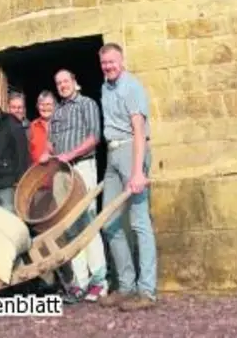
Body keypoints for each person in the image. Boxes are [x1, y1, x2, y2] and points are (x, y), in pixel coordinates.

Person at [96, 44, 156, 311]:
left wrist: (137, 171)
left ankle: (147, 291)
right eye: (104, 63)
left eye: (112, 62)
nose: (108, 66)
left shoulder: (132, 86)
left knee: (139, 222)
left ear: (122, 61)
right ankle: (126, 285)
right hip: (112, 154)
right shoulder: (104, 87)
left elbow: (139, 129)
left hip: (133, 150)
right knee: (109, 222)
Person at [44, 69, 108, 302]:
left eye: (65, 81)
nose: (62, 86)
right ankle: (80, 282)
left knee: (87, 221)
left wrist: (69, 155)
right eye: (58, 83)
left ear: (75, 82)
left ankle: (99, 281)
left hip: (82, 167)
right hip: (61, 173)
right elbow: (51, 144)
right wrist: (47, 153)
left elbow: (94, 138)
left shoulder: (87, 103)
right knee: (69, 226)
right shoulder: (57, 111)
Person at [28, 90, 54, 164]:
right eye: (42, 104)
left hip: (59, 170)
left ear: (54, 105)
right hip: (38, 172)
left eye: (48, 104)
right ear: (37, 106)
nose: (45, 107)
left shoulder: (62, 124)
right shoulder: (32, 126)